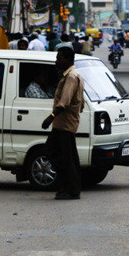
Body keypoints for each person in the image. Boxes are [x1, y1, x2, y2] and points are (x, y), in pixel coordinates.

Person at [41, 47, 85, 200]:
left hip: (65, 124)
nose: (56, 61)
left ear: (67, 59)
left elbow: (64, 102)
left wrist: (50, 118)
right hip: (64, 124)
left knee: (61, 155)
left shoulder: (71, 77)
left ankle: (70, 188)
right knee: (62, 155)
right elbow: (81, 101)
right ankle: (67, 185)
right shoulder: (73, 75)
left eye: (59, 58)